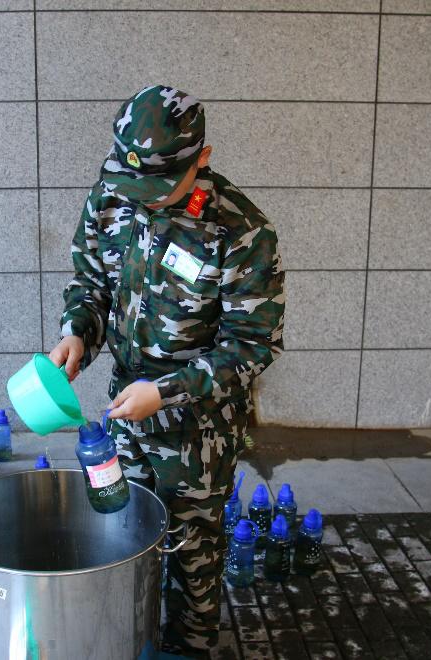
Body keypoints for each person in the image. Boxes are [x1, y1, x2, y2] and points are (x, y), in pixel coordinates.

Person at [49, 84, 285, 657]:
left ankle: (188, 648)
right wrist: (77, 333)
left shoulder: (241, 231)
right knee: (118, 535)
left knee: (192, 556)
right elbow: (91, 282)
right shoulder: (111, 198)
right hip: (124, 417)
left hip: (197, 432)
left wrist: (167, 391)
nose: (142, 200)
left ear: (201, 159)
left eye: (156, 188)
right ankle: (124, 639)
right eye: (131, 184)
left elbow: (253, 345)